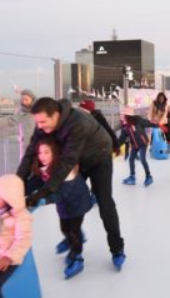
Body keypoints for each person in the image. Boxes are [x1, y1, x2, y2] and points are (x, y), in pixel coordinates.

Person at [17, 97, 126, 270]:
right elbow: (31, 152)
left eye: (43, 121)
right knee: (67, 199)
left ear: (56, 115)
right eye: (37, 122)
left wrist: (43, 192)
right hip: (77, 159)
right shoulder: (44, 124)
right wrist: (18, 181)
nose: (40, 126)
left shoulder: (77, 123)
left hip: (98, 157)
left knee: (104, 203)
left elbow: (67, 161)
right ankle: (74, 236)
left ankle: (117, 248)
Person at [25, 137, 95, 279]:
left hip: (77, 202)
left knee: (73, 230)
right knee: (64, 228)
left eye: (46, 153)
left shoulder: (65, 170)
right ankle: (75, 239)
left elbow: (61, 194)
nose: (42, 156)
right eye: (40, 153)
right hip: (64, 205)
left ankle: (78, 258)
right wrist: (18, 192)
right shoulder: (43, 167)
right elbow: (34, 183)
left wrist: (43, 201)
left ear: (55, 153)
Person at [116, 106, 153, 187]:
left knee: (142, 159)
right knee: (131, 159)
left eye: (123, 115)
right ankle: (132, 177)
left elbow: (147, 123)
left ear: (128, 115)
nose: (121, 116)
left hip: (142, 144)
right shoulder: (125, 126)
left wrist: (156, 124)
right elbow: (122, 139)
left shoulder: (138, 121)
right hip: (134, 145)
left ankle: (148, 176)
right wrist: (116, 146)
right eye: (121, 115)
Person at [10, 89, 37, 161]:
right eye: (22, 99)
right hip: (24, 143)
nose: (24, 101)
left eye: (26, 99)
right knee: (25, 163)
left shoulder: (38, 110)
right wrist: (20, 137)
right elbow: (12, 122)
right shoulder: (19, 111)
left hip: (38, 142)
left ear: (32, 99)